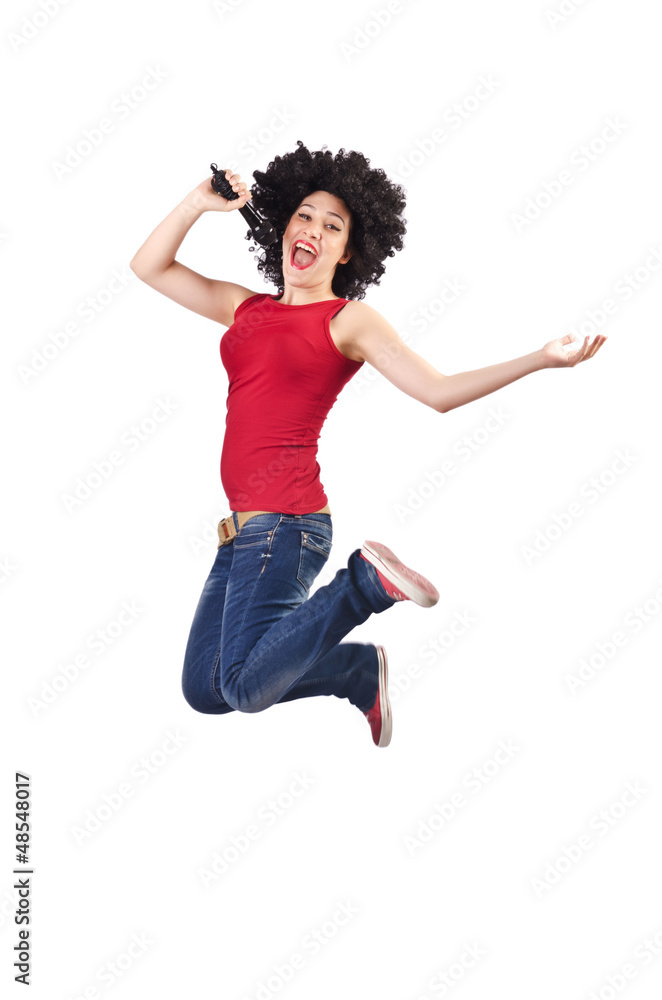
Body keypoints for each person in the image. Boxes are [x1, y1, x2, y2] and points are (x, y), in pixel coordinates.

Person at [129, 140, 606, 748]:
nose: (313, 230)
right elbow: (150, 267)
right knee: (207, 689)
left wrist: (540, 360)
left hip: (289, 525)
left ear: (348, 250)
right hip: (241, 531)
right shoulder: (243, 307)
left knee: (246, 689)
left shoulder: (346, 320)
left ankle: (363, 587)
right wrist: (198, 203)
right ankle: (355, 671)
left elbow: (437, 391)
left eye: (333, 226)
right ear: (282, 227)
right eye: (304, 216)